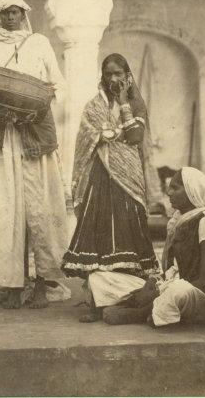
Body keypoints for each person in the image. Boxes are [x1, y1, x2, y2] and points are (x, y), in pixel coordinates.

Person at [0, 0, 68, 309]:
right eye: (5, 13)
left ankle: (43, 283)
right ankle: (13, 285)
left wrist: (34, 102)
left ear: (23, 14)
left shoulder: (39, 43)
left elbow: (59, 85)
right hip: (10, 136)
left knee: (40, 207)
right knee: (10, 209)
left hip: (36, 133)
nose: (11, 17)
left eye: (16, 12)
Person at [61, 53, 161, 322]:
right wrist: (109, 133)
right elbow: (88, 136)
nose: (114, 79)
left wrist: (123, 106)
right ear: (102, 77)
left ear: (128, 75)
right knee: (99, 241)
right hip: (100, 179)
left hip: (128, 180)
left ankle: (130, 301)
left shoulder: (137, 104)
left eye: (119, 73)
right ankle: (97, 303)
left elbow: (135, 137)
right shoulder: (93, 105)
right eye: (109, 74)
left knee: (129, 235)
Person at [87, 167, 205, 327]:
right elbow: (173, 270)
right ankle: (150, 307)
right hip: (172, 284)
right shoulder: (178, 221)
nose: (169, 193)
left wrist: (157, 292)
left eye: (175, 188)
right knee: (99, 276)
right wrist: (154, 282)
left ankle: (139, 313)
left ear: (193, 191)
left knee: (178, 291)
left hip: (198, 296)